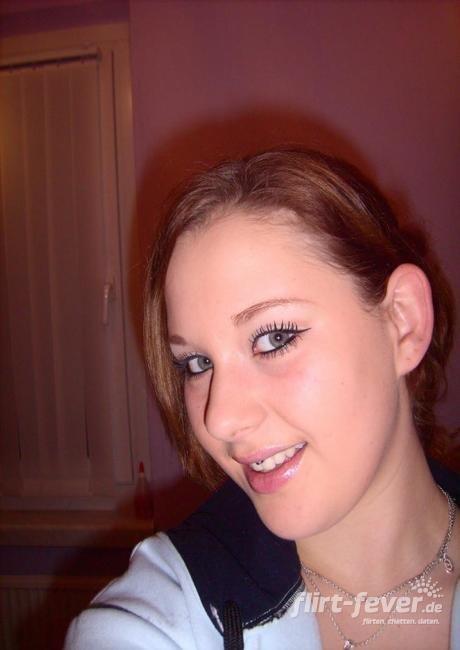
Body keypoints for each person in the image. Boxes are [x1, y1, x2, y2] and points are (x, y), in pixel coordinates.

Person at [65, 148, 460, 649]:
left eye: (274, 338)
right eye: (197, 364)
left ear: (403, 321)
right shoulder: (152, 624)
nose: (221, 419)